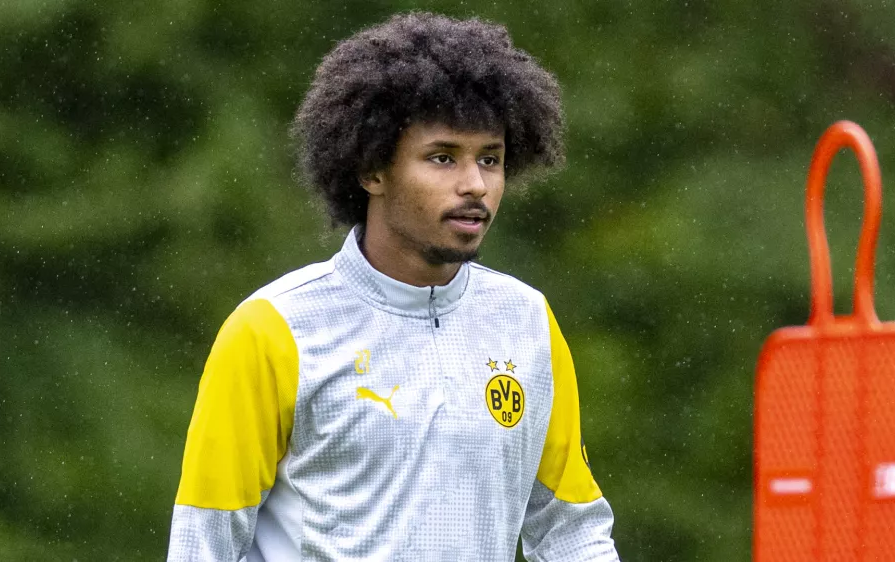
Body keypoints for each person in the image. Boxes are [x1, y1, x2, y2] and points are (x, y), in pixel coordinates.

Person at [167, 12, 619, 561]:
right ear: (372, 171)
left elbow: (570, 528)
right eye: (443, 157)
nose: (474, 184)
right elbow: (204, 545)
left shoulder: (526, 321)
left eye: (490, 160)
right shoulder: (272, 330)